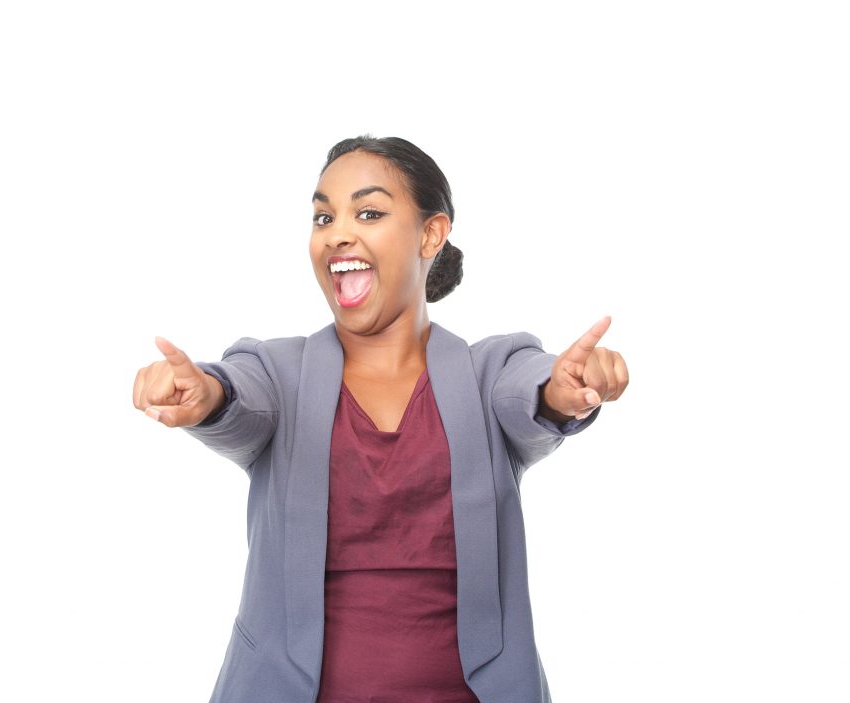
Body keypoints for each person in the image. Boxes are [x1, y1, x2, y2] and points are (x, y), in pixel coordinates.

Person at [132, 135, 629, 703]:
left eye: (368, 212)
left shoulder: (488, 370)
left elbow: (530, 390)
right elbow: (240, 397)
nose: (337, 232)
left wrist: (564, 390)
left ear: (430, 234)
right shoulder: (277, 371)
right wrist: (205, 394)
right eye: (324, 216)